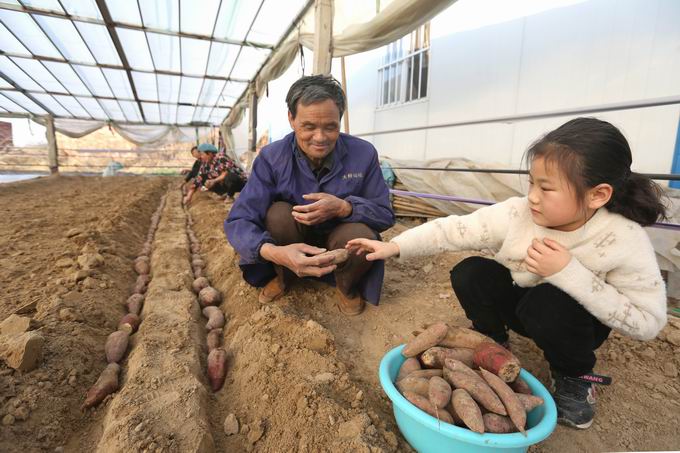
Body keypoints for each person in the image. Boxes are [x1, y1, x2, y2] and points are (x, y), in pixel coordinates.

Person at [347, 117, 667, 428]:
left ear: (597, 195)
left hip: (574, 323)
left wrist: (568, 272)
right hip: (525, 305)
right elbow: (456, 229)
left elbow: (648, 323)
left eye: (547, 188)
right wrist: (396, 247)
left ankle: (574, 376)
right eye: (531, 183)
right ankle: (495, 347)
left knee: (547, 302)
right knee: (471, 273)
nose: (533, 196)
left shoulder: (623, 239)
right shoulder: (521, 213)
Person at [224, 74, 395, 316]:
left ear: (340, 120)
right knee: (278, 215)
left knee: (361, 234)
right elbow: (239, 220)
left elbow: (385, 214)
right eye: (309, 126)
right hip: (291, 238)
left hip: (340, 240)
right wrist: (273, 252)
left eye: (330, 127)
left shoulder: (363, 154)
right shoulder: (272, 157)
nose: (320, 137)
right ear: (291, 119)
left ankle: (345, 286)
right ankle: (284, 279)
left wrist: (345, 208)